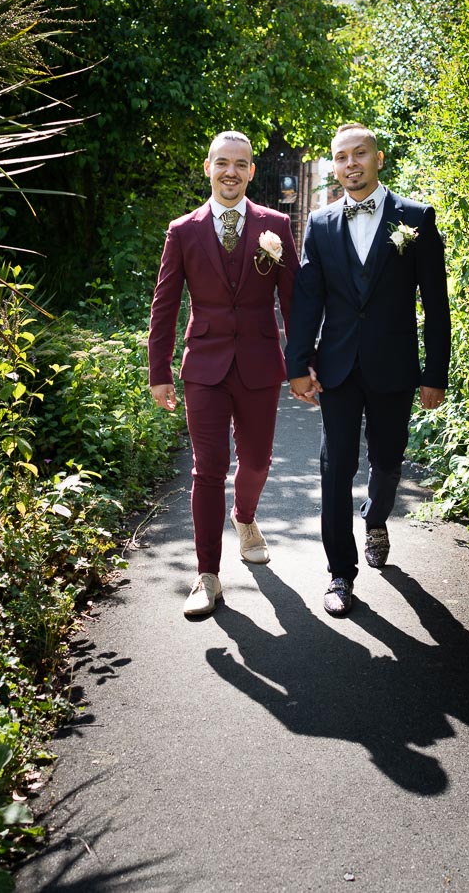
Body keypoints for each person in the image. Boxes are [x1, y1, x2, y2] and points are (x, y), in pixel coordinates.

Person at [285, 122, 450, 616]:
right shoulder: (320, 224)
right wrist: (297, 365)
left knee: (388, 458)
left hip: (394, 365)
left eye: (359, 154)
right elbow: (308, 299)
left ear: (378, 158)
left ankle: (376, 517)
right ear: (334, 166)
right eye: (341, 157)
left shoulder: (416, 218)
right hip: (336, 366)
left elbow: (435, 304)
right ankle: (340, 573)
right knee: (335, 466)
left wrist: (434, 373)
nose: (350, 163)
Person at [149, 130, 298, 619]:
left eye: (240, 164)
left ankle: (246, 518)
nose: (230, 172)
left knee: (256, 461)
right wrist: (160, 371)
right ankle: (207, 575)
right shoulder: (184, 230)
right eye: (222, 163)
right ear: (208, 168)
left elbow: (293, 301)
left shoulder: (275, 225)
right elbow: (166, 303)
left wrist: (301, 365)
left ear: (252, 171)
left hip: (259, 363)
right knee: (207, 468)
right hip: (205, 368)